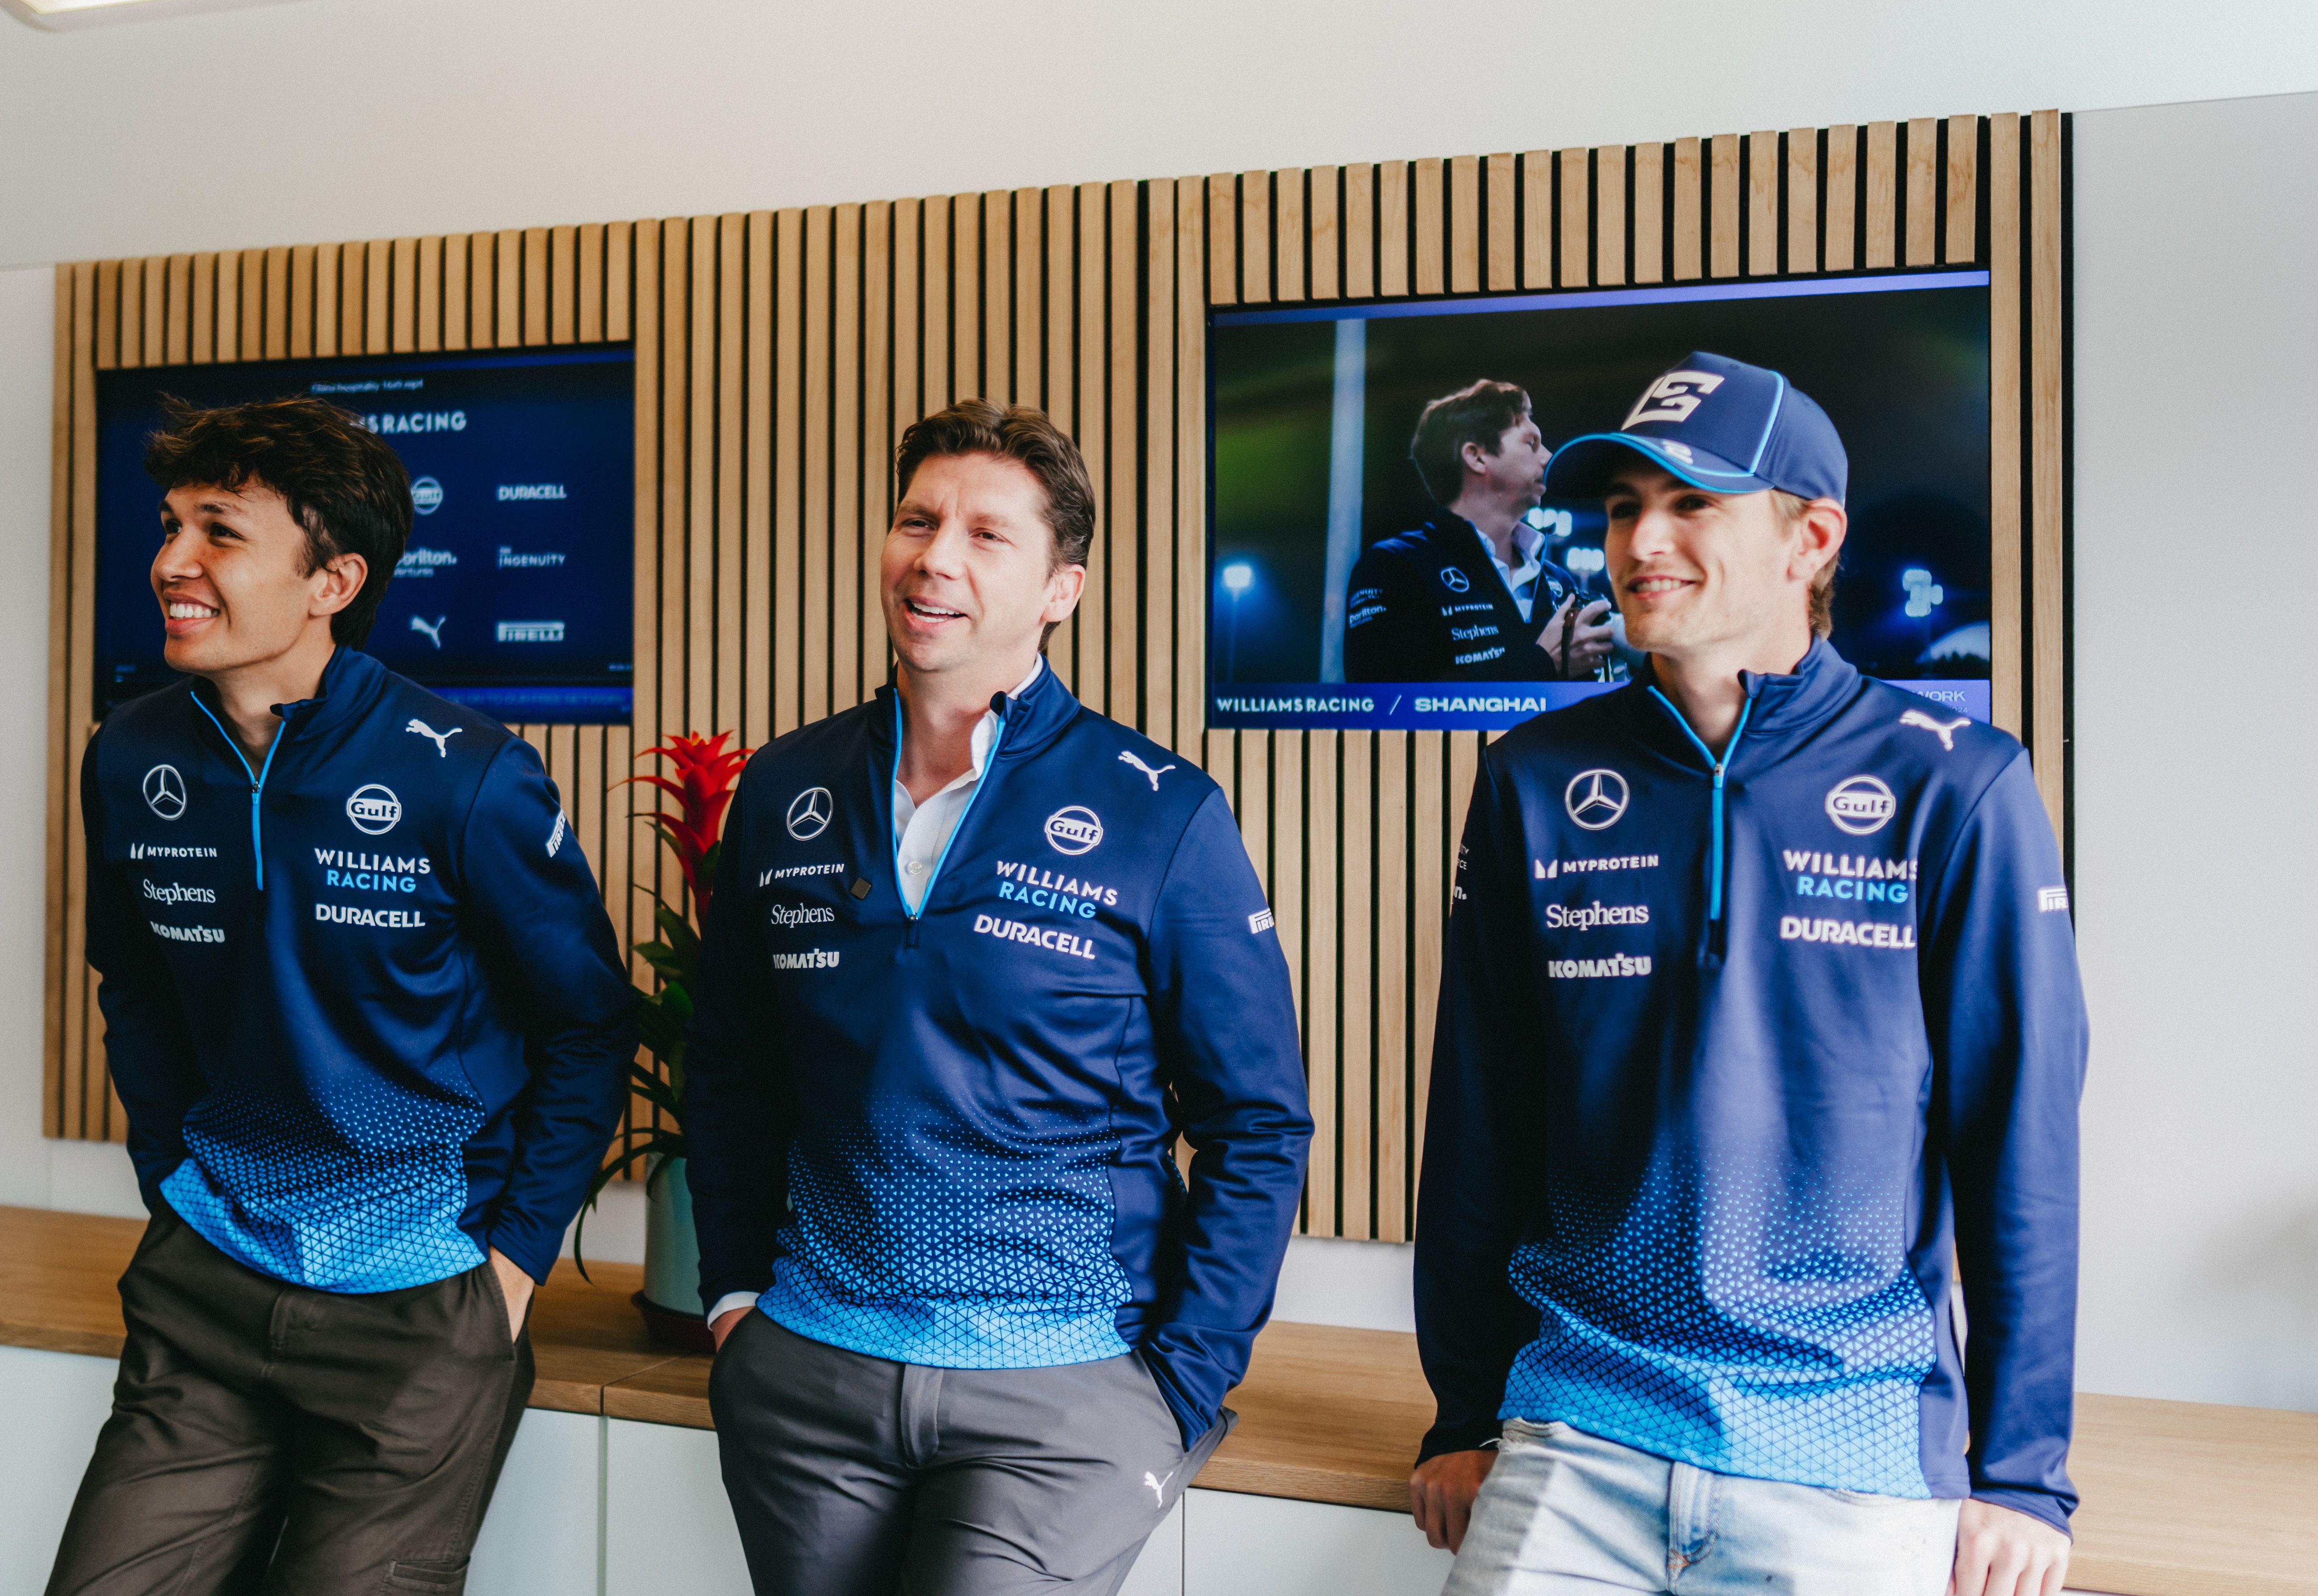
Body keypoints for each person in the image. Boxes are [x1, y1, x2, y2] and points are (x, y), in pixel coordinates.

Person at [1407, 351, 2088, 1596]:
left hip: (1846, 1453)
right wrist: (1459, 1406)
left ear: (1808, 537)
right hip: (1575, 1429)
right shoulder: (1528, 778)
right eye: (1619, 506)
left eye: (1690, 503)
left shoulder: (1958, 781)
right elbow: (1476, 1118)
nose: (1638, 539)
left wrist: (2022, 1471)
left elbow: (2018, 1140)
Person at [684, 399, 1314, 1596]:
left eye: (986, 534)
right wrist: (732, 1298)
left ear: (1057, 588)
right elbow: (730, 1064)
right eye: (915, 520)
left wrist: (1179, 1377)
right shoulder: (785, 786)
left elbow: (1256, 1121)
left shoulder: (1157, 810)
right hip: (811, 1368)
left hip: (1062, 1387)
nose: (934, 556)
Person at [47, 396, 637, 1595]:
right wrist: (171, 1176)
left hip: (422, 1298)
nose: (172, 560)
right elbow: (138, 985)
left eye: (221, 530)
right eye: (171, 524)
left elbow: (588, 1017)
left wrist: (513, 1256)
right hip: (209, 1273)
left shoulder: (466, 775)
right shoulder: (130, 750)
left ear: (333, 579)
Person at [1343, 379, 1614, 682]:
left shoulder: (1558, 581)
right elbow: (1385, 705)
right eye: (1531, 443)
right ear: (1477, 456)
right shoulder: (1392, 566)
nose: (1548, 458)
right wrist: (1541, 664)